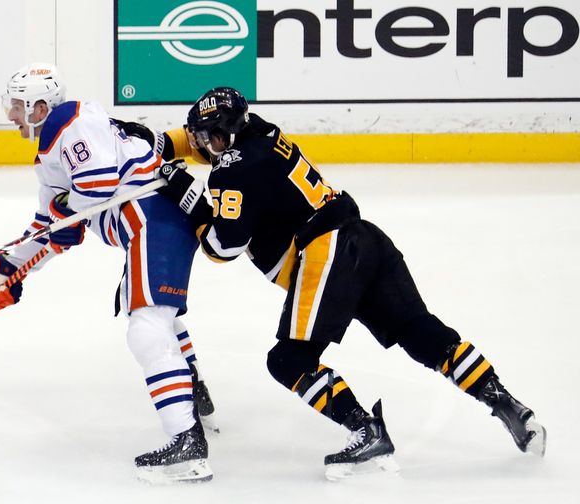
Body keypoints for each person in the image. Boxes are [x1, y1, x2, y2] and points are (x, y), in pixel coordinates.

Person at [118, 87, 547, 480]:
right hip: (366, 238)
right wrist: (159, 143)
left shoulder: (232, 170)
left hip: (328, 252)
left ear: (224, 136)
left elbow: (222, 246)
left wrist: (183, 191)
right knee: (421, 332)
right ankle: (508, 404)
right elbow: (209, 140)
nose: (203, 147)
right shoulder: (262, 131)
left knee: (288, 360)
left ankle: (366, 430)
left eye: (207, 139)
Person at [0, 63, 217, 483]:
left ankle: (186, 441)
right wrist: (7, 271)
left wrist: (61, 215)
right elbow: (52, 230)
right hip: (149, 223)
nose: (11, 115)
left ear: (39, 107)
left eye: (17, 106)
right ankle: (191, 390)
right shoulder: (53, 151)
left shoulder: (73, 121)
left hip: (152, 218)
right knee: (157, 315)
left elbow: (98, 187)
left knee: (146, 328)